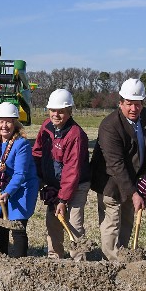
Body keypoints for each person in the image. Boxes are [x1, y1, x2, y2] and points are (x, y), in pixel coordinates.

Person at [90, 78, 146, 262]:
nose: (134, 109)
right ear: (120, 103)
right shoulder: (110, 126)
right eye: (129, 104)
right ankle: (111, 263)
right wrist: (134, 193)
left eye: (138, 104)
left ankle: (125, 258)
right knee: (112, 223)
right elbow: (115, 164)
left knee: (127, 220)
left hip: (132, 178)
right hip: (109, 181)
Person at [33, 88, 91, 260]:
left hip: (77, 184)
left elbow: (72, 170)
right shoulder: (46, 127)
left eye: (61, 111)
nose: (56, 114)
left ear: (69, 111)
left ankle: (79, 260)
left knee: (74, 223)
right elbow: (37, 152)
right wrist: (38, 177)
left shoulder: (76, 135)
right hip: (54, 184)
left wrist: (63, 200)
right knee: (53, 222)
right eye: (53, 110)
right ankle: (54, 257)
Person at [0, 102, 38, 257]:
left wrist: (8, 192)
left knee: (17, 226)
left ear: (15, 123)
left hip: (22, 188)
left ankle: (19, 261)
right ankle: (1, 258)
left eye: (9, 121)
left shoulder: (21, 144)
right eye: (1, 121)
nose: (5, 125)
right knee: (0, 224)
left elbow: (20, 174)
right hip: (2, 187)